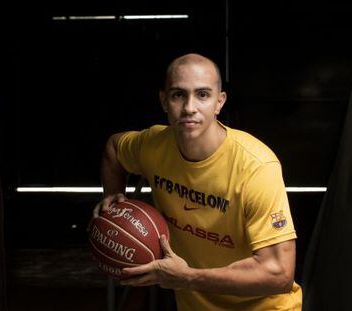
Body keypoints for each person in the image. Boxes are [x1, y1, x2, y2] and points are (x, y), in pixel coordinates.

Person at [93, 53, 302, 310]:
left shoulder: (256, 167)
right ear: (164, 101)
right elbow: (114, 148)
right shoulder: (153, 146)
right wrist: (112, 195)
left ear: (219, 102)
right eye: (178, 95)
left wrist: (187, 278)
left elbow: (279, 274)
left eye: (202, 95)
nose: (189, 107)